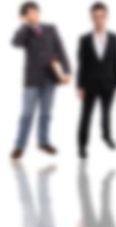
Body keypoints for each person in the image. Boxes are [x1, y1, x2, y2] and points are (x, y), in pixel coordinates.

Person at [11, 2, 71, 160]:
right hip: (32, 79)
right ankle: (19, 145)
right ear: (25, 16)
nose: (34, 15)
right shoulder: (26, 32)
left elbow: (60, 49)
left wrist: (67, 70)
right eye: (30, 13)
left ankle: (43, 142)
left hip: (51, 77)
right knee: (27, 114)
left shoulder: (51, 28)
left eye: (35, 11)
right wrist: (25, 26)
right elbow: (15, 43)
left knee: (46, 113)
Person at [76, 2, 116, 159]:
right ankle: (82, 145)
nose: (99, 20)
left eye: (102, 16)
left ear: (106, 17)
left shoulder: (115, 38)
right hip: (89, 85)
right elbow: (81, 64)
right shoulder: (84, 39)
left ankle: (107, 137)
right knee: (86, 115)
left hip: (109, 84)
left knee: (106, 113)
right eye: (95, 17)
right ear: (91, 18)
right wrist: (80, 86)